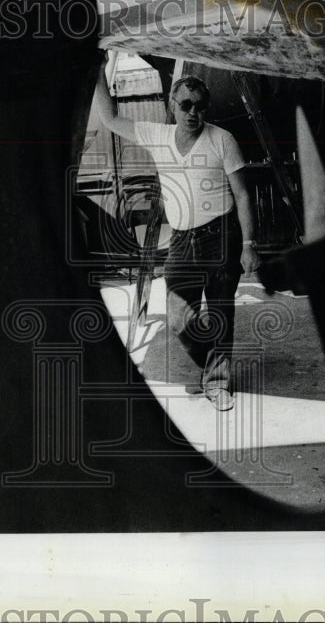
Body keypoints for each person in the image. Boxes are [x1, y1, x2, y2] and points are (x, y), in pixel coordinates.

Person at [94, 62, 259, 411]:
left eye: (199, 106)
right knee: (178, 318)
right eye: (185, 105)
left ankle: (217, 383)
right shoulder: (158, 135)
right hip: (183, 242)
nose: (192, 112)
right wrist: (95, 69)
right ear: (172, 104)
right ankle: (213, 365)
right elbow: (109, 119)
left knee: (220, 312)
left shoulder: (222, 140)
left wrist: (248, 245)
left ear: (206, 108)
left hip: (221, 237)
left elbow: (244, 195)